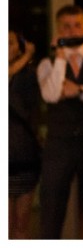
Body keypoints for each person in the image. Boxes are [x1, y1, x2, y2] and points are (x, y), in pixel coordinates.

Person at [36, 4, 83, 239]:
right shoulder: (47, 64)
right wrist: (60, 57)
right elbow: (50, 95)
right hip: (59, 145)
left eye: (77, 25)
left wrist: (79, 91)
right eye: (66, 27)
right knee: (51, 212)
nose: (72, 31)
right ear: (58, 30)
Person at [9, 28, 41, 239]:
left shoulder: (29, 75)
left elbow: (33, 110)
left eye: (10, 43)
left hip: (23, 154)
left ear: (19, 47)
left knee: (22, 223)